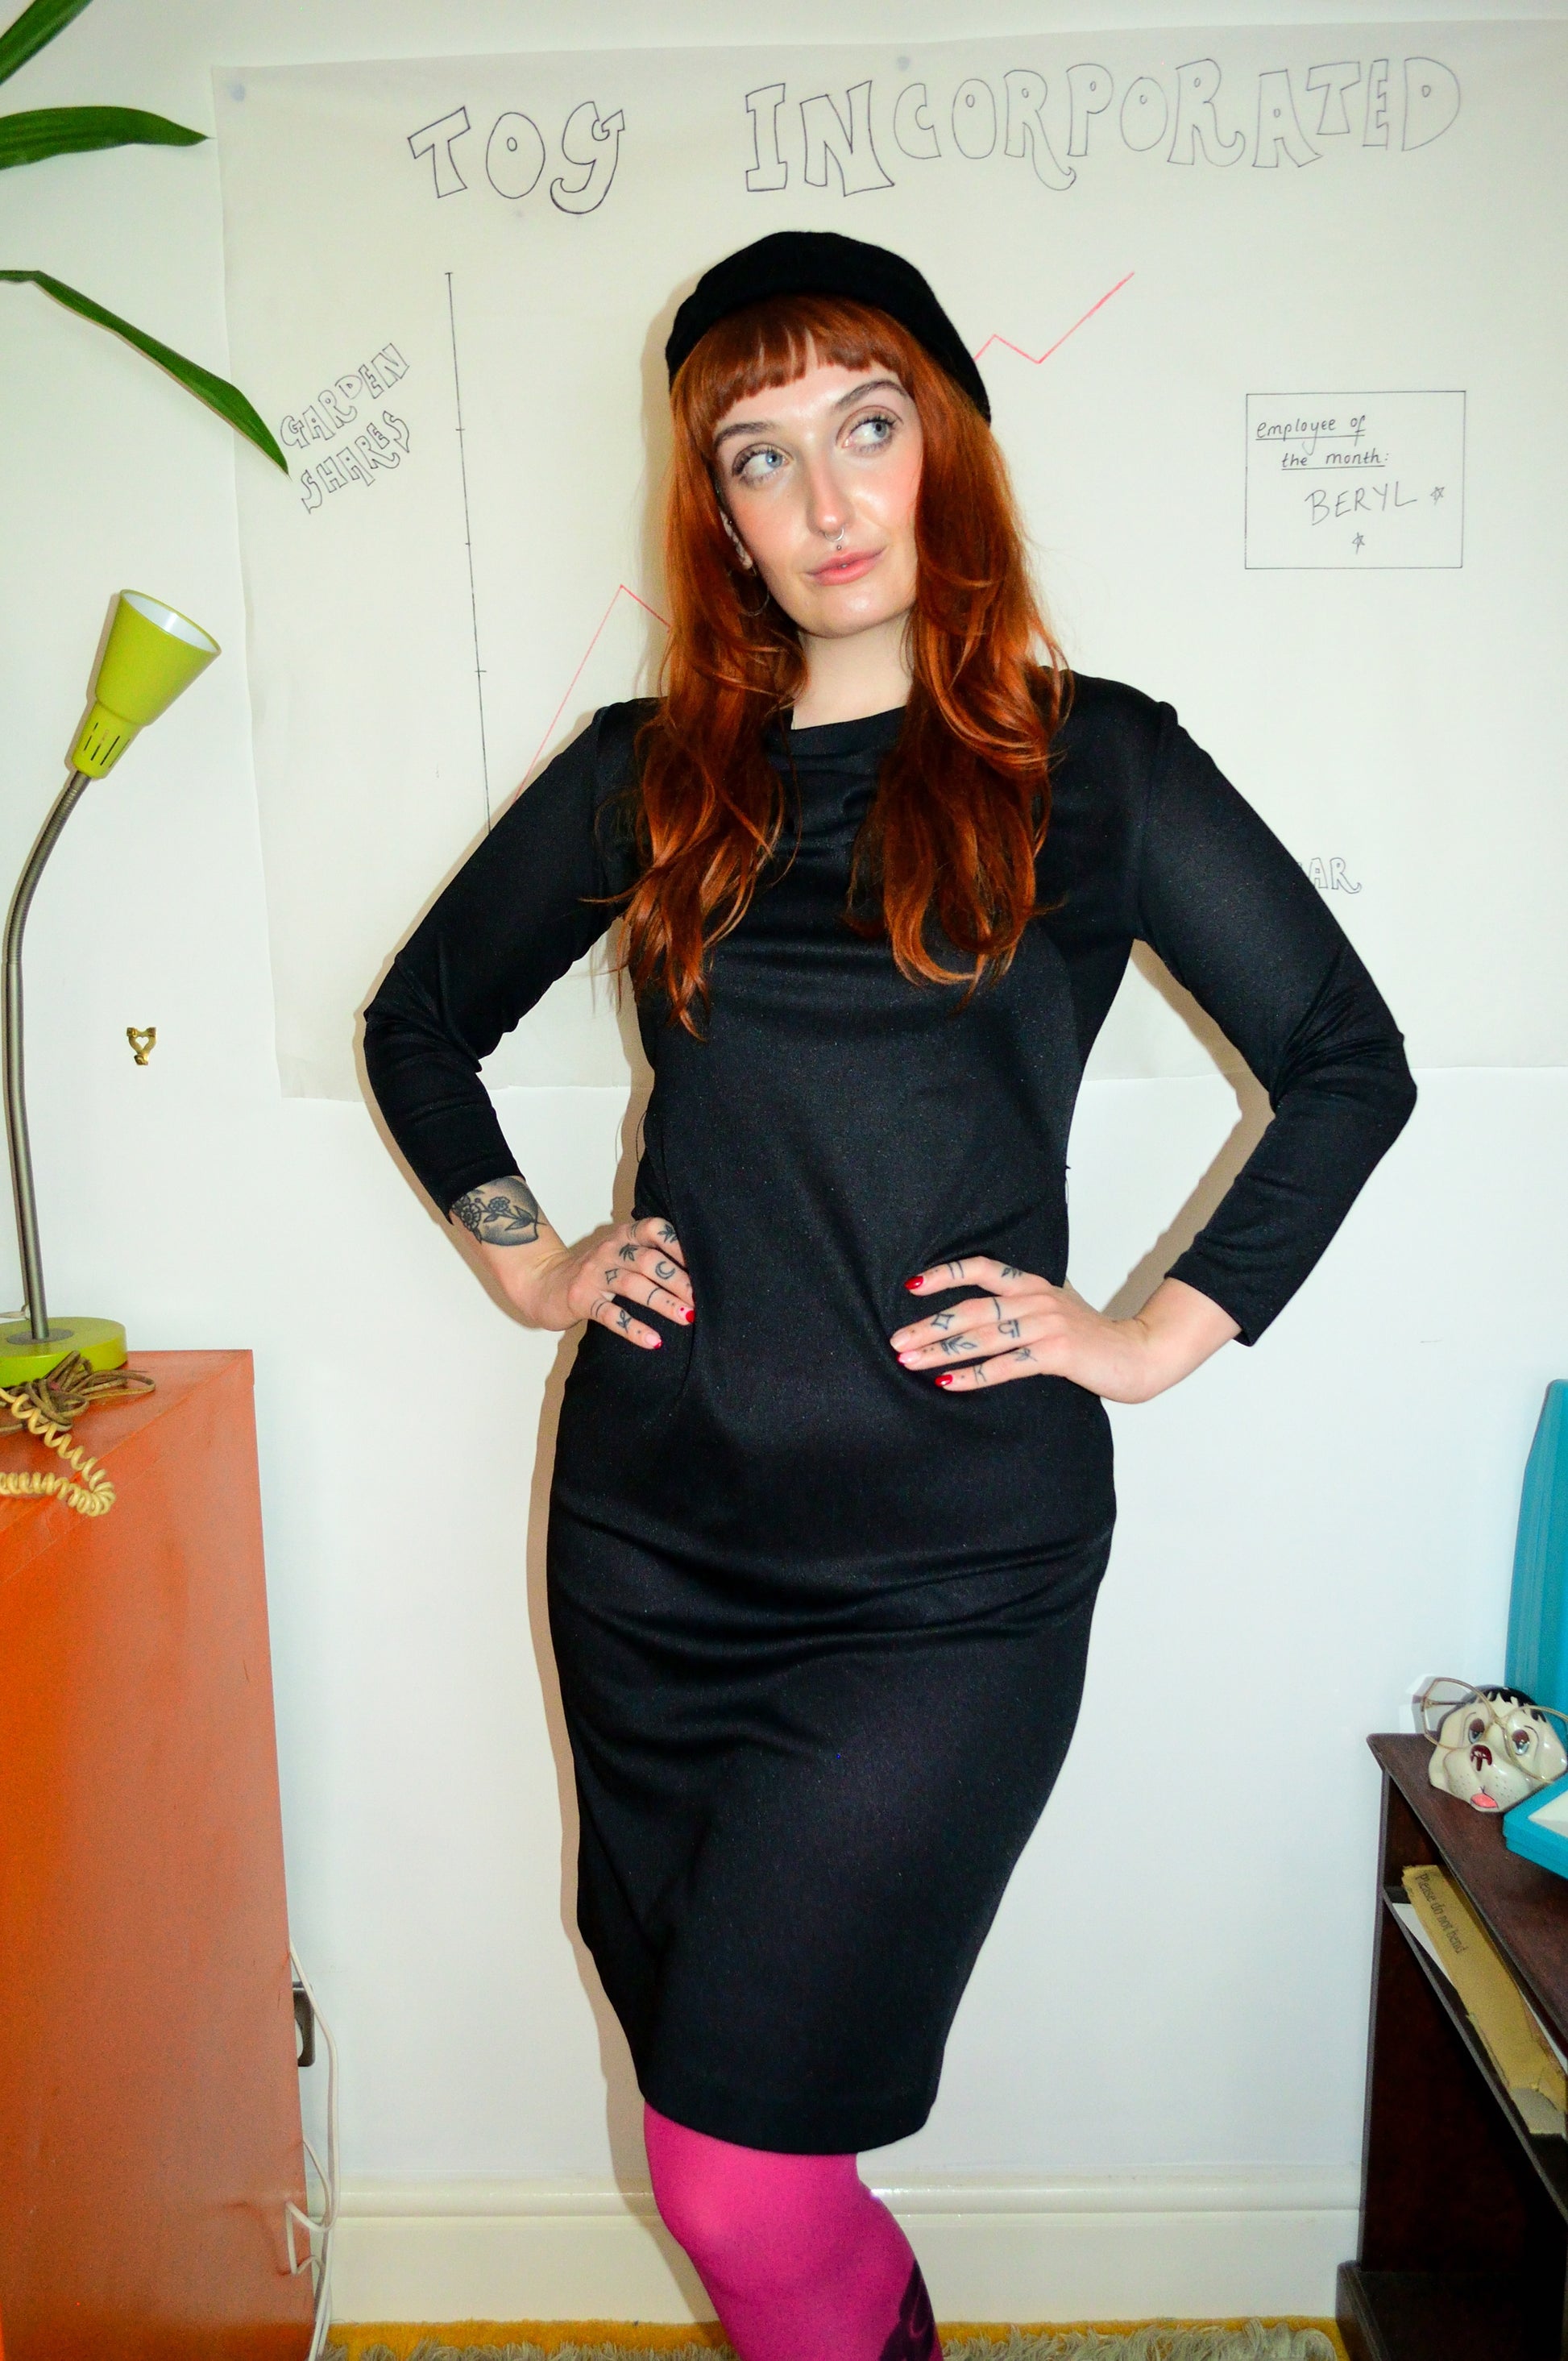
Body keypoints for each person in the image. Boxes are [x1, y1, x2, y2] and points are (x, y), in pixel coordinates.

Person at [363, 230, 1415, 2361]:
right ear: (716, 513)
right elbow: (418, 1025)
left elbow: (1345, 1061)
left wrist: (1150, 1331)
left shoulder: (1097, 766)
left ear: (949, 445)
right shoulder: (647, 770)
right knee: (747, 2151)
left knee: (730, 2171)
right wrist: (532, 1259)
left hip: (946, 1577)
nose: (826, 499)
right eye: (759, 456)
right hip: (653, 1542)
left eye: (866, 426)